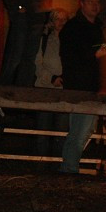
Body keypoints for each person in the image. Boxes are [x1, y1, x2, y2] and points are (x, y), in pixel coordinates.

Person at [59, 0, 106, 174]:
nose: (95, 6)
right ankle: (69, 169)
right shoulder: (72, 28)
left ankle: (69, 167)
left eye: (97, 2)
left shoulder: (97, 26)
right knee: (79, 132)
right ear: (82, 3)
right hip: (78, 87)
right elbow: (70, 57)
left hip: (92, 87)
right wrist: (94, 54)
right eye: (90, 2)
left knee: (84, 131)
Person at [33, 8, 69, 158]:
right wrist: (50, 78)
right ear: (52, 21)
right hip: (45, 89)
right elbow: (37, 64)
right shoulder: (44, 39)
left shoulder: (71, 40)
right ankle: (41, 163)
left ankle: (57, 163)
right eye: (57, 19)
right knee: (43, 130)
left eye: (64, 19)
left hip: (64, 91)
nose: (60, 22)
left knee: (61, 132)